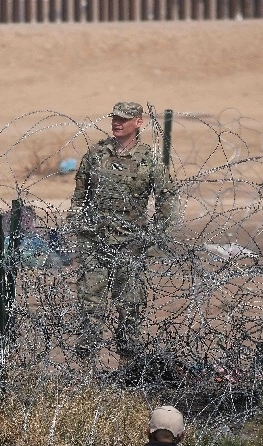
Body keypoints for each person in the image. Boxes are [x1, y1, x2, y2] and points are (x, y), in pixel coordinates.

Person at [68, 101, 174, 363]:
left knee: (130, 307)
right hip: (95, 242)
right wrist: (79, 227)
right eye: (115, 118)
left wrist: (152, 236)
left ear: (138, 123)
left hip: (130, 244)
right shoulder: (96, 154)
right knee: (90, 307)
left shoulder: (149, 160)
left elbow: (166, 200)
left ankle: (128, 369)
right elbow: (79, 197)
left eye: (124, 119)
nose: (117, 123)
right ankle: (86, 371)